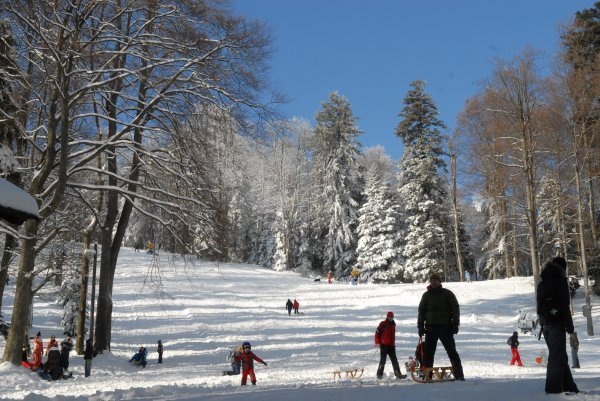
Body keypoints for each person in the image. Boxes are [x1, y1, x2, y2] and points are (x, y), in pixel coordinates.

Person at [537, 256, 579, 394]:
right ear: (562, 269)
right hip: (557, 324)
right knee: (557, 357)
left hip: (545, 326)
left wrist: (543, 323)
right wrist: (570, 327)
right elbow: (564, 305)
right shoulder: (560, 282)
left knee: (560, 356)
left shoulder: (542, 283)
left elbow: (539, 307)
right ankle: (552, 389)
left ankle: (569, 386)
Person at [417, 273, 465, 381]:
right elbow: (421, 312)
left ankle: (459, 375)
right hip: (430, 328)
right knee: (429, 354)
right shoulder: (426, 295)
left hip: (445, 328)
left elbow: (455, 309)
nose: (433, 282)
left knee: (452, 351)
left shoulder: (447, 294)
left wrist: (455, 324)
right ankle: (427, 376)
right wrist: (420, 326)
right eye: (431, 280)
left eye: (435, 280)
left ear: (439, 281)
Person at [374, 311, 406, 380]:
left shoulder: (393, 324)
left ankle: (398, 374)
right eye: (390, 317)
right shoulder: (383, 324)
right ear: (387, 316)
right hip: (384, 346)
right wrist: (377, 342)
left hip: (391, 346)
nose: (391, 318)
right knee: (383, 360)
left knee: (394, 360)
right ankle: (379, 374)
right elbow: (377, 334)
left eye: (392, 317)